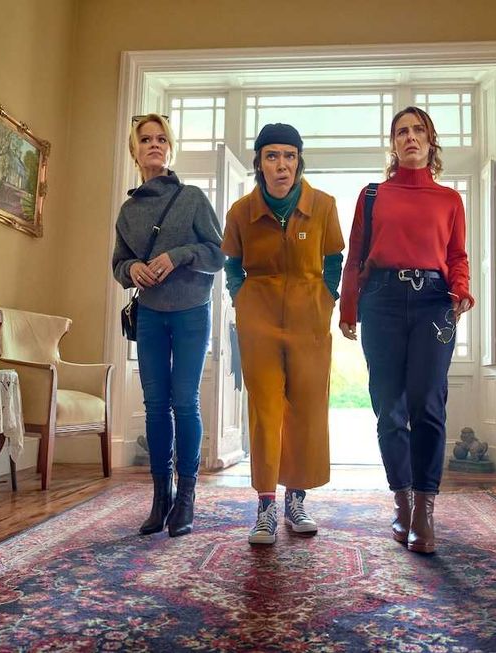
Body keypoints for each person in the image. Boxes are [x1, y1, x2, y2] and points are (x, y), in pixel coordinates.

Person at [338, 106, 474, 554]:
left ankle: (424, 510)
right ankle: (401, 500)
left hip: (435, 304)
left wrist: (461, 289)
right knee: (389, 407)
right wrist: (349, 308)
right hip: (382, 302)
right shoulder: (374, 194)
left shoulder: (449, 200)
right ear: (393, 144)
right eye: (401, 132)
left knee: (427, 403)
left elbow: (457, 255)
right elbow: (356, 252)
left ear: (431, 141)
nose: (410, 137)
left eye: (418, 130)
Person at [222, 123, 344, 546]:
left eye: (289, 156)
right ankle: (266, 506)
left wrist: (328, 297)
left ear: (299, 161)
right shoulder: (241, 211)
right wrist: (241, 298)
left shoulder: (324, 206)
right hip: (259, 317)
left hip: (309, 317)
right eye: (272, 156)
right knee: (266, 408)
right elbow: (232, 265)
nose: (282, 165)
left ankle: (297, 499)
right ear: (259, 162)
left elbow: (334, 259)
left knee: (307, 407)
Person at [112, 113, 225, 537]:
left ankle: (187, 499)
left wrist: (177, 256)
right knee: (156, 406)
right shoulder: (127, 211)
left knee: (185, 402)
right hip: (152, 316)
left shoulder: (192, 197)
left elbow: (219, 254)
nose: (154, 145)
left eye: (161, 139)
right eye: (146, 140)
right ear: (135, 150)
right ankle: (161, 497)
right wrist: (133, 269)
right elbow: (118, 264)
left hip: (192, 311)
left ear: (170, 148)